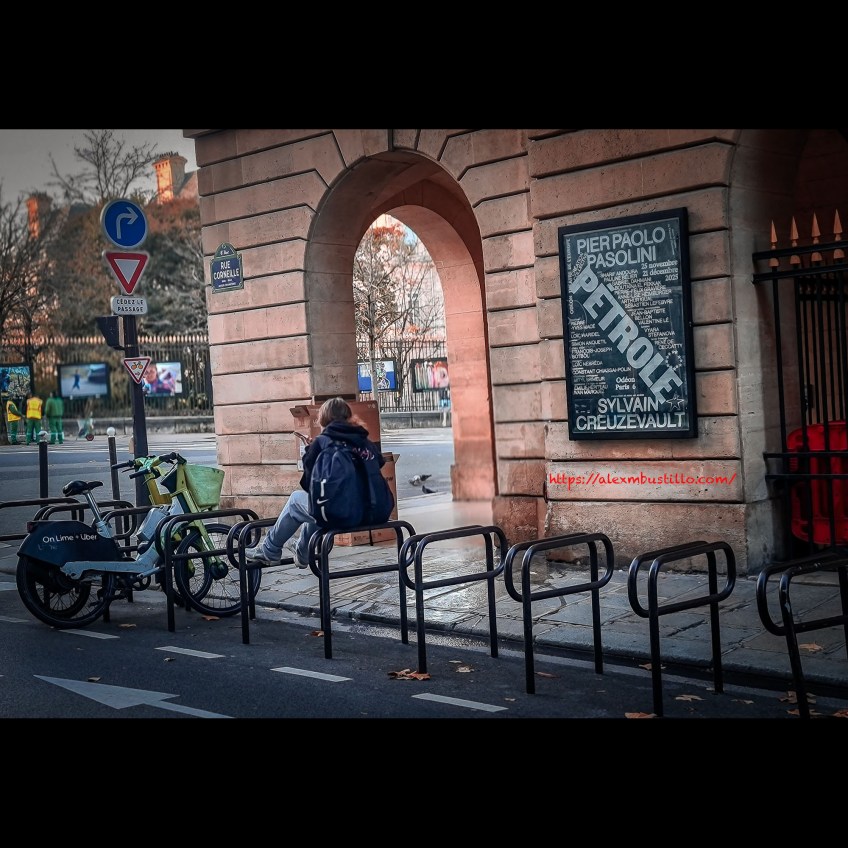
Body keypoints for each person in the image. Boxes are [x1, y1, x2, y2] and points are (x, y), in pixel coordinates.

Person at [245, 397, 388, 569]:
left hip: (347, 515)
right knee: (319, 507)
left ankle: (270, 550)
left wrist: (311, 451)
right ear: (348, 417)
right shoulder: (363, 440)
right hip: (376, 513)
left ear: (323, 420)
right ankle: (304, 553)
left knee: (296, 501)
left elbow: (308, 485)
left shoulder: (323, 441)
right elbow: (379, 462)